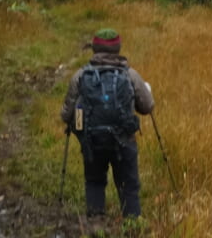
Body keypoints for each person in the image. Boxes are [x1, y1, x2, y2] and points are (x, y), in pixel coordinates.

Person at [60, 28, 154, 221]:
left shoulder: (80, 76)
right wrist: (146, 90)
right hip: (124, 140)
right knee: (128, 185)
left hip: (92, 141)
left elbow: (66, 114)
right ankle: (132, 228)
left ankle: (96, 225)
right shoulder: (130, 75)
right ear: (117, 49)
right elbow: (147, 107)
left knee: (94, 181)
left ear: (94, 48)